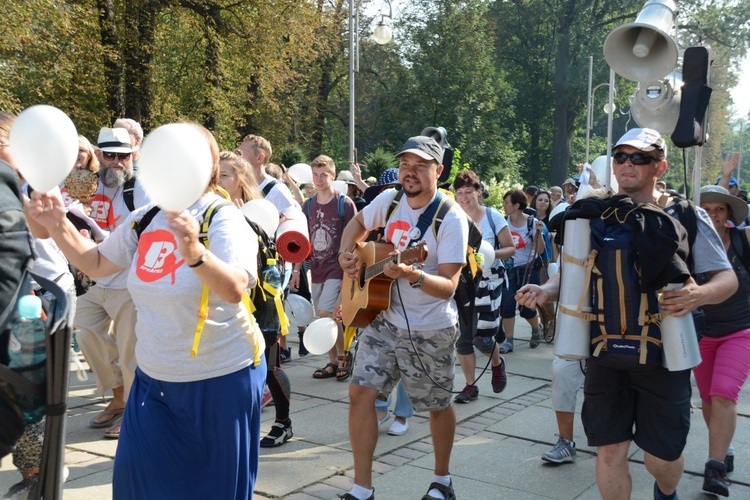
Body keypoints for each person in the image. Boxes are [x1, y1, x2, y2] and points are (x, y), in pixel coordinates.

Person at [27, 124, 266, 499]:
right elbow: (97, 263)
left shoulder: (221, 217)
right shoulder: (144, 217)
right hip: (153, 378)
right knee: (134, 484)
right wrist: (56, 224)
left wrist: (195, 253)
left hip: (220, 377)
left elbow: (235, 288)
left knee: (214, 490)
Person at [516, 127, 737, 500]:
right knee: (609, 450)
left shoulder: (685, 213)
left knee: (662, 460)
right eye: (621, 156)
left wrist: (698, 294)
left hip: (666, 353)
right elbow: (573, 274)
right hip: (605, 347)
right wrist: (546, 290)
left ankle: (666, 492)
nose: (627, 164)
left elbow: (727, 279)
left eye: (640, 157)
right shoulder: (595, 213)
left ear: (660, 166)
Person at [337, 136, 468, 500]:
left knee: (437, 405)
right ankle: (362, 488)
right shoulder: (390, 199)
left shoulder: (449, 217)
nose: (410, 172)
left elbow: (449, 287)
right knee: (359, 393)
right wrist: (346, 255)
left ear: (438, 171)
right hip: (382, 318)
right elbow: (357, 225)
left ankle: (442, 481)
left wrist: (415, 275)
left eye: (420, 165)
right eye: (406, 164)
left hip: (429, 328)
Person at [78, 127, 152, 439]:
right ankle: (118, 396)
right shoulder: (84, 184)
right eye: (109, 154)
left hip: (127, 281)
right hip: (93, 281)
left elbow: (149, 231)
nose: (117, 161)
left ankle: (134, 415)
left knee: (130, 349)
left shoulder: (141, 188)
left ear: (133, 155)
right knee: (84, 332)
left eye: (123, 155)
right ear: (99, 155)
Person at [217, 151, 294, 448]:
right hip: (227, 303)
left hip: (262, 304)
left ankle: (283, 423)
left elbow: (270, 265)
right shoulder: (211, 212)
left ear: (240, 180)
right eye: (216, 175)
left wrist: (244, 222)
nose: (217, 181)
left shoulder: (255, 213)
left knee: (270, 367)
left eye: (224, 175)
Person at [694, 184, 750, 496]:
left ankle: (714, 468)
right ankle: (723, 447)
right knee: (707, 399)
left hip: (742, 330)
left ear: (729, 214)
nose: (713, 215)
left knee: (724, 394)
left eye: (720, 209)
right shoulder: (687, 244)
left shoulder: (743, 239)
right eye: (706, 209)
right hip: (702, 334)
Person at [292, 155, 356, 381]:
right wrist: (296, 270)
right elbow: (302, 240)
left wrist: (351, 270)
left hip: (337, 268)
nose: (318, 180)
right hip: (316, 268)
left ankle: (343, 358)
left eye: (323, 175)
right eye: (315, 175)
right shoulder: (308, 205)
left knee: (326, 314)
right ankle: (332, 361)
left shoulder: (344, 204)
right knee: (323, 319)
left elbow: (356, 238)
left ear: (333, 175)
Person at [452, 170, 513, 404]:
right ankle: (470, 386)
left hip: (490, 281)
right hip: (463, 283)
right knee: (463, 338)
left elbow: (510, 248)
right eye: (460, 193)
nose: (464, 197)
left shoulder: (492, 216)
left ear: (479, 192)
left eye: (469, 192)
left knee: (483, 339)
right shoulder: (453, 216)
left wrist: (487, 254)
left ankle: (497, 363)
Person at [498, 189, 545, 353]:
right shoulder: (503, 222)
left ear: (517, 205)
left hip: (528, 270)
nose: (504, 206)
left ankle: (535, 328)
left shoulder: (531, 223)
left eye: (506, 203)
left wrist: (539, 233)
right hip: (508, 270)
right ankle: (509, 340)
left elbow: (540, 250)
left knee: (526, 308)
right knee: (507, 305)